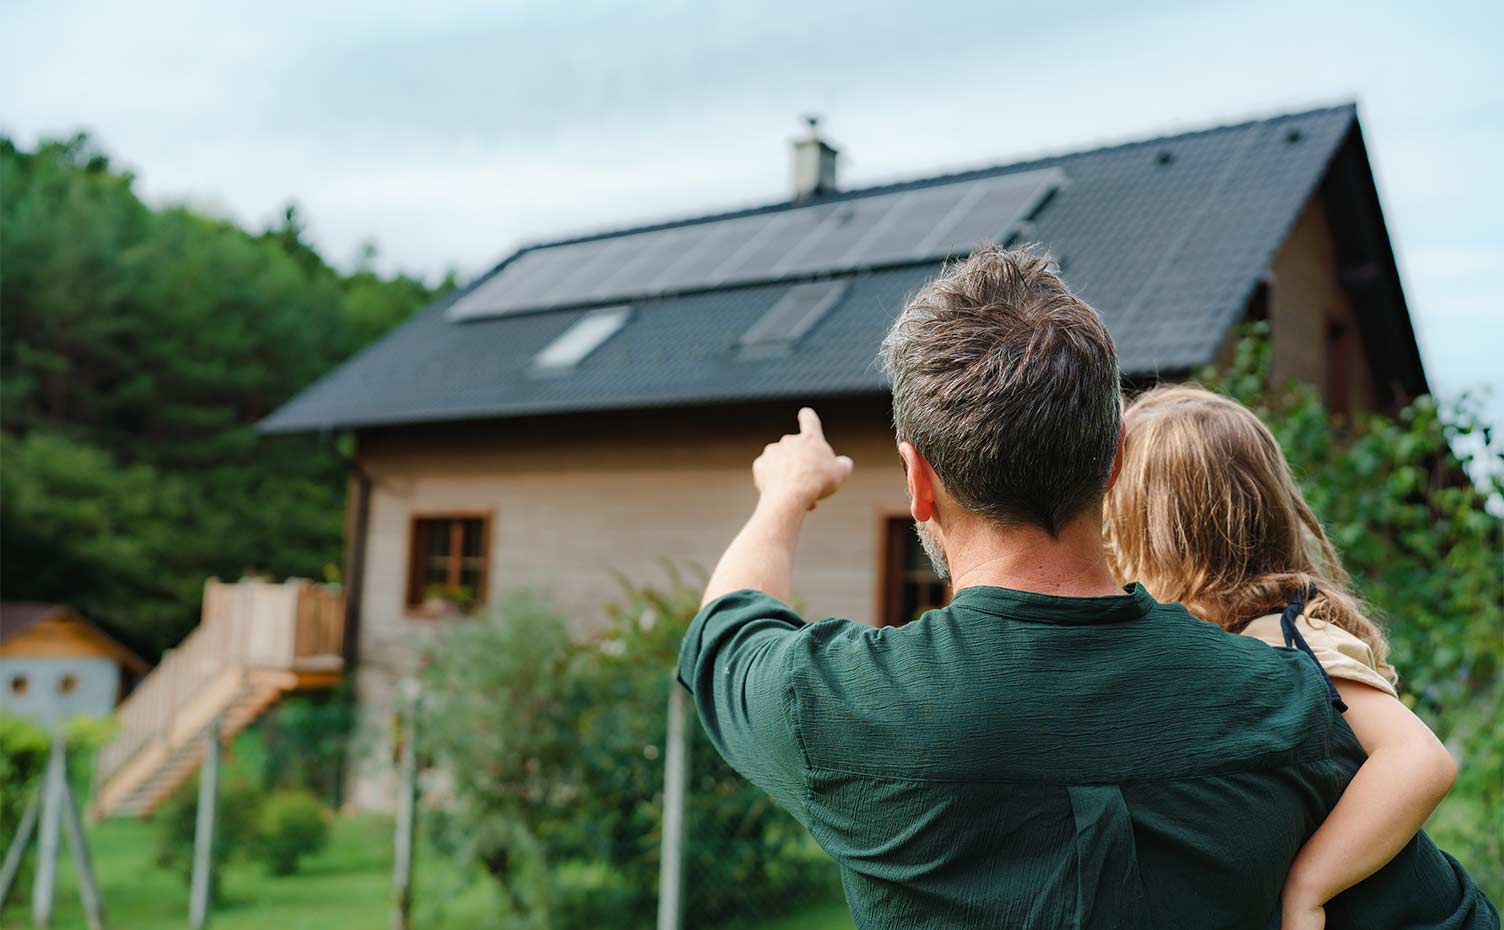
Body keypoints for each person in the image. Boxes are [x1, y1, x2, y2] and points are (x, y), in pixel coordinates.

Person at [676, 245, 1497, 929]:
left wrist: (785, 494)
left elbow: (726, 627)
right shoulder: (1285, 705)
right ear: (1109, 464)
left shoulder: (836, 704)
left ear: (918, 484)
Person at [1102, 384, 1473, 929]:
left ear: (1152, 533)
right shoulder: (1228, 638)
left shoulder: (1288, 638)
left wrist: (1308, 887)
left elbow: (1419, 759)